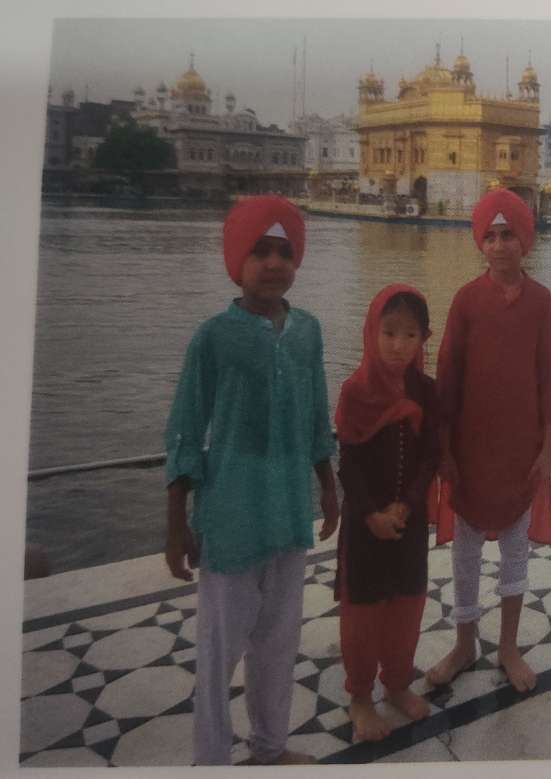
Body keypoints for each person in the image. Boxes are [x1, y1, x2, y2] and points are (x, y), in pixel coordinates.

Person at [164, 195, 339, 766]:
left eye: (284, 251)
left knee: (278, 644)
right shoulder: (212, 337)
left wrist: (328, 485)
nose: (272, 263)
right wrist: (176, 523)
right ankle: (209, 761)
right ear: (235, 261)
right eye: (258, 251)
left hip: (289, 511)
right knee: (219, 656)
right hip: (232, 516)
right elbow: (185, 430)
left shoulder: (308, 332)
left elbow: (317, 416)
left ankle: (269, 747)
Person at [425, 189, 551, 693]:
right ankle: (464, 643)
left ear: (525, 240)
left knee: (514, 552)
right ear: (480, 242)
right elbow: (447, 378)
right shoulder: (466, 300)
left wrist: (547, 446)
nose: (501, 245)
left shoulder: (542, 301)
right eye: (491, 235)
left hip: (520, 451)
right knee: (464, 553)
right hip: (470, 449)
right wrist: (444, 450)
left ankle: (508, 645)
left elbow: (549, 377)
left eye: (509, 235)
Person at [333, 284, 439, 741]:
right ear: (372, 333)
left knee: (406, 606)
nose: (399, 345)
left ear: (423, 339)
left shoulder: (426, 390)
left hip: (409, 523)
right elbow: (349, 463)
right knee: (363, 614)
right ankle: (360, 697)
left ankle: (396, 684)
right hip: (364, 527)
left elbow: (430, 455)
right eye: (389, 333)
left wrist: (408, 504)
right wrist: (372, 514)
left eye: (410, 335)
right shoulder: (356, 391)